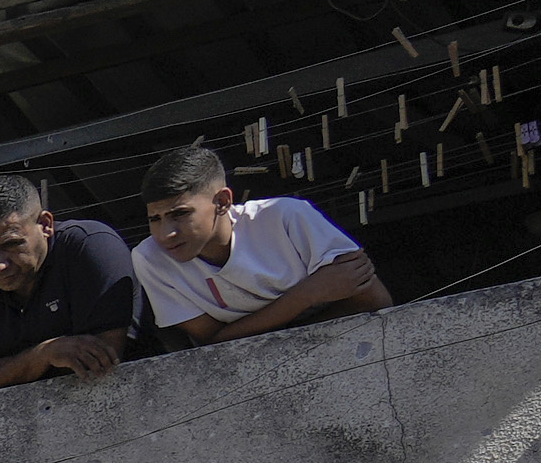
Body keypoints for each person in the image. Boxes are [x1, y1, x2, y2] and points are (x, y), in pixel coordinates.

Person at [129, 142, 384, 345]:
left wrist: (256, 331)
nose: (165, 234)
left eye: (180, 214)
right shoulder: (150, 258)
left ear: (222, 202)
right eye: (155, 219)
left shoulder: (286, 217)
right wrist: (307, 295)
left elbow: (375, 302)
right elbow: (212, 342)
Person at [0, 171, 149, 396]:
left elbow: (100, 362)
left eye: (11, 245)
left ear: (45, 224)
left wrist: (13, 368)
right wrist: (45, 353)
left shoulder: (90, 246)